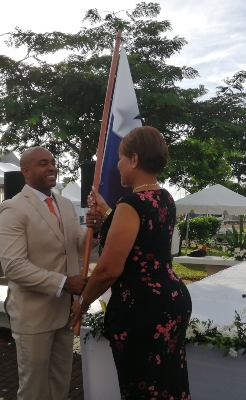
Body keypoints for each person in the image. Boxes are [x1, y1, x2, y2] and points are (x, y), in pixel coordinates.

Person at [71, 126, 192, 400]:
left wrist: (84, 302)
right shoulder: (165, 198)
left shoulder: (131, 203)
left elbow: (108, 269)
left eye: (121, 158)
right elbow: (144, 238)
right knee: (169, 383)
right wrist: (108, 212)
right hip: (171, 299)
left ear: (135, 159)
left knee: (141, 387)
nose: (118, 165)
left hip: (142, 308)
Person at [0, 146, 101, 400]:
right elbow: (14, 266)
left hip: (65, 312)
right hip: (33, 315)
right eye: (43, 163)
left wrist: (94, 231)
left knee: (60, 383)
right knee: (34, 389)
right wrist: (65, 283)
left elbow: (76, 244)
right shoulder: (13, 209)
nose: (52, 167)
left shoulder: (64, 204)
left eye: (53, 162)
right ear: (26, 171)